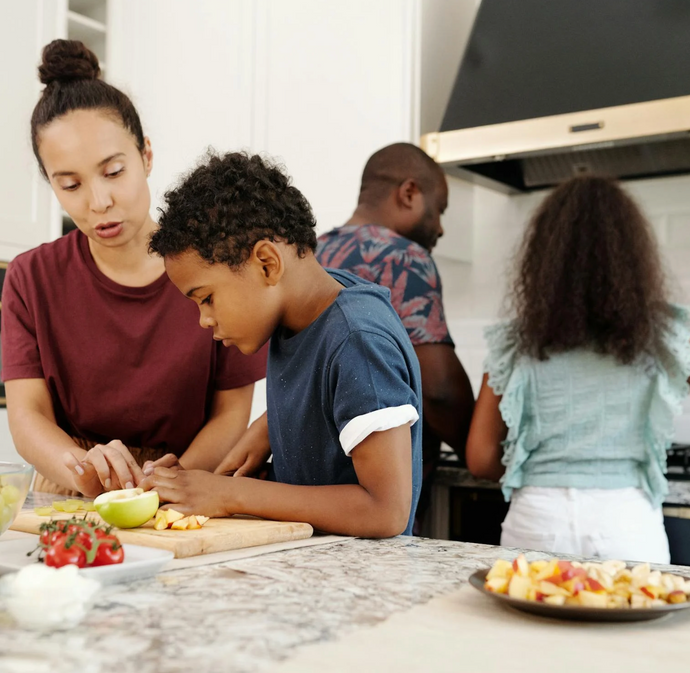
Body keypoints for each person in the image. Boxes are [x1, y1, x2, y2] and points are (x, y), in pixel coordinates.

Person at [0, 40, 266, 498]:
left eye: (114, 171)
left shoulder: (217, 265)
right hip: (71, 486)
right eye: (70, 184)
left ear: (145, 155)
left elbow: (230, 413)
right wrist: (85, 469)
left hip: (189, 483)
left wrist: (165, 483)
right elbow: (28, 418)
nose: (99, 201)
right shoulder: (30, 277)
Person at [142, 151, 422, 537]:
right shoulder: (302, 313)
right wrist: (267, 428)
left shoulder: (358, 340)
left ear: (267, 264)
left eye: (206, 298)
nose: (204, 320)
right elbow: (322, 391)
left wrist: (233, 494)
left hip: (359, 587)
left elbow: (385, 510)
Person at [466, 175, 690, 563]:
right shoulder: (666, 335)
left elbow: (481, 457)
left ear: (543, 258)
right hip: (628, 523)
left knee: (530, 624)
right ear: (635, 257)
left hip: (537, 521)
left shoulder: (516, 342)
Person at [315, 143, 474, 528]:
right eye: (439, 210)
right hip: (377, 498)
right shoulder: (405, 258)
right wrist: (480, 450)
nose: (439, 227)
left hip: (309, 489)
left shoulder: (312, 252)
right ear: (409, 193)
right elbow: (438, 391)